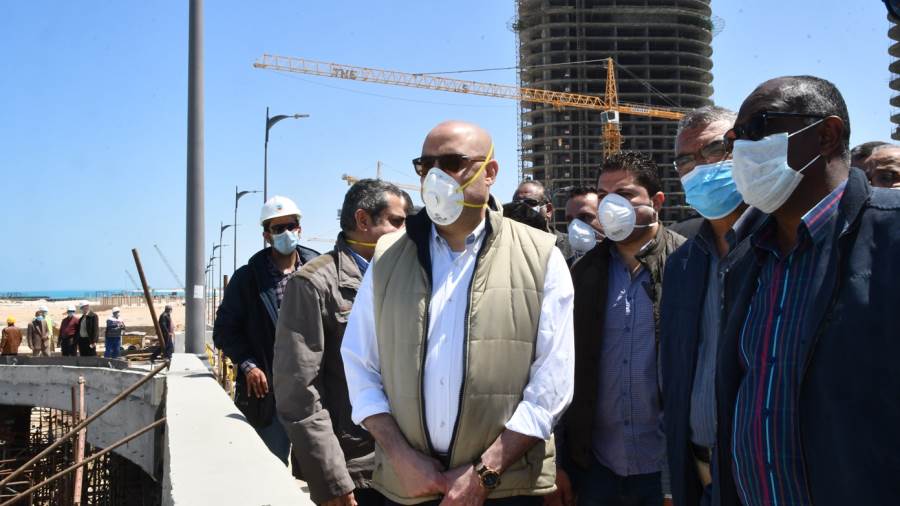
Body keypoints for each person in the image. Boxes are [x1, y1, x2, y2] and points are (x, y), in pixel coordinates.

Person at [341, 120, 575, 505]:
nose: (435, 177)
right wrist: (401, 457)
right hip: (409, 487)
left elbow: (552, 383)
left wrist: (485, 473)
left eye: (451, 163)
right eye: (425, 166)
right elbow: (359, 366)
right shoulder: (387, 258)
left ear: (490, 172)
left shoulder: (540, 256)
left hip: (506, 489)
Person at [715, 76, 900, 506]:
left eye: (758, 127)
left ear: (826, 134)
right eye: (734, 139)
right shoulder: (746, 257)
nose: (741, 150)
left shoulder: (890, 233)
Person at [274, 179, 411, 506]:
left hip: (410, 464)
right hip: (357, 469)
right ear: (363, 220)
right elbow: (299, 391)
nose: (405, 231)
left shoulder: (407, 276)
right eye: (396, 221)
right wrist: (331, 478)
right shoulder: (314, 284)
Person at [561, 151, 685, 506]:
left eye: (625, 194)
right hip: (597, 469)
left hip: (666, 469)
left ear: (656, 201)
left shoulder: (687, 262)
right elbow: (562, 368)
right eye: (603, 196)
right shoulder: (583, 273)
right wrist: (562, 462)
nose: (610, 205)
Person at [659, 106, 762, 506]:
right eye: (685, 160)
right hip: (700, 473)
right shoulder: (682, 263)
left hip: (766, 473)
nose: (700, 167)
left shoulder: (782, 245)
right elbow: (674, 372)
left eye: (715, 150)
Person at [214, 195, 320, 464]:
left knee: (319, 471)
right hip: (268, 398)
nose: (286, 233)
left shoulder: (320, 271)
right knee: (269, 466)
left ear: (300, 228)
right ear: (266, 235)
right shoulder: (248, 279)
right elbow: (224, 330)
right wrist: (249, 365)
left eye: (290, 226)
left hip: (314, 394)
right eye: (278, 228)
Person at [513, 180, 574, 258]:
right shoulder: (507, 246)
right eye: (516, 204)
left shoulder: (571, 246)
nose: (522, 209)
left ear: (548, 210)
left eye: (529, 203)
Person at [563, 186, 602, 262]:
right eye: (570, 219)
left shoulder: (623, 262)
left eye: (584, 217)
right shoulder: (566, 267)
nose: (575, 226)